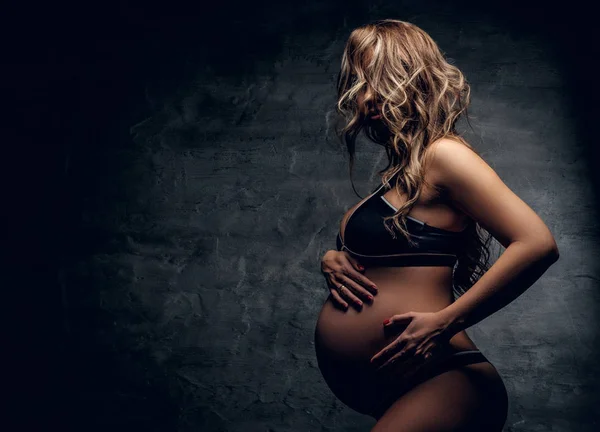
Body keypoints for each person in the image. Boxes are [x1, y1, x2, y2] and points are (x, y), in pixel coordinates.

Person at [314, 19, 559, 431]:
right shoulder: (399, 175)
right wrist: (333, 257)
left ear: (414, 78)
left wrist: (445, 321)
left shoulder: (444, 155)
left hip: (447, 383)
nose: (367, 96)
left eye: (379, 79)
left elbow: (537, 243)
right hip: (402, 388)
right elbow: (389, 259)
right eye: (359, 83)